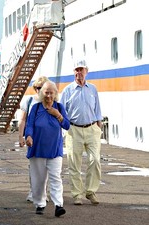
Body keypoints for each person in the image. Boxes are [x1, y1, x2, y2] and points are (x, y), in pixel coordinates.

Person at [59, 59, 103, 205]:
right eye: (76, 70)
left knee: (95, 160)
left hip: (92, 128)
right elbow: (62, 111)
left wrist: (99, 123)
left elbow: (97, 107)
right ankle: (77, 195)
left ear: (86, 71)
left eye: (81, 70)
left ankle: (91, 191)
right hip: (74, 129)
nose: (79, 72)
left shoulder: (93, 89)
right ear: (74, 72)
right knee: (74, 163)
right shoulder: (67, 90)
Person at [25, 80, 70, 216]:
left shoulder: (59, 107)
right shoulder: (36, 108)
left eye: (51, 93)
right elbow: (30, 125)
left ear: (55, 93)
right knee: (38, 179)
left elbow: (67, 125)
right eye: (46, 92)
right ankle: (40, 203)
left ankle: (58, 205)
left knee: (56, 177)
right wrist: (28, 136)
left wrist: (58, 115)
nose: (49, 96)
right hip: (37, 148)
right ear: (41, 93)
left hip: (54, 149)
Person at [18, 76, 49, 202]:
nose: (39, 90)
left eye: (41, 88)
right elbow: (23, 119)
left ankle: (43, 193)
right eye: (37, 88)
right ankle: (33, 191)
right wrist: (21, 136)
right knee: (34, 166)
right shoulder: (29, 101)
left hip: (46, 138)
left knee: (46, 166)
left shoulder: (50, 101)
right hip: (32, 137)